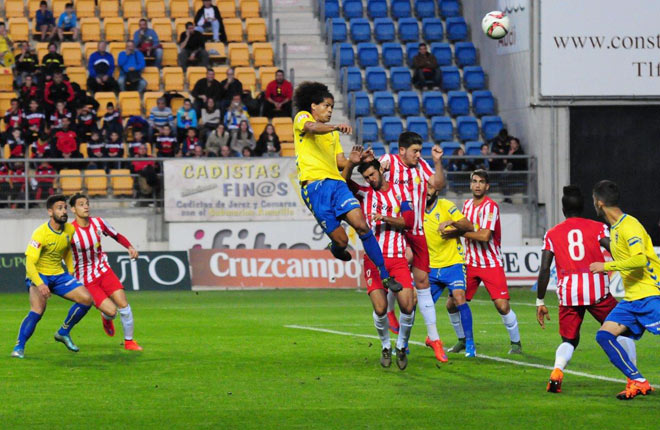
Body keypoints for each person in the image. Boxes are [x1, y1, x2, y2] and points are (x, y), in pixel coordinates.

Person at [292, 81, 403, 293]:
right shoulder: (303, 118)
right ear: (313, 106)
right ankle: (336, 248)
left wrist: (359, 160)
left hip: (337, 184)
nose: (330, 110)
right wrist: (334, 126)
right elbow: (312, 127)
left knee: (362, 226)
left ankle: (386, 276)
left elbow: (340, 162)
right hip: (315, 188)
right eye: (326, 106)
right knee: (342, 242)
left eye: (332, 107)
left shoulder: (332, 134)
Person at [536, 185, 635, 394]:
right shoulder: (597, 227)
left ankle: (557, 371)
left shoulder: (552, 234)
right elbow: (615, 252)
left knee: (570, 340)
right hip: (597, 290)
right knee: (624, 329)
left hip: (569, 292)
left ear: (563, 210)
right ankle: (632, 378)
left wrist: (540, 301)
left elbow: (545, 268)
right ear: (583, 208)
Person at [342, 154, 419, 369]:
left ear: (380, 171)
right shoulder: (364, 194)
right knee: (380, 308)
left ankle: (401, 345)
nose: (370, 180)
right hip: (374, 261)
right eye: (366, 177)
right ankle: (386, 346)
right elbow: (343, 182)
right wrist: (353, 162)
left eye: (372, 175)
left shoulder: (401, 192)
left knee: (408, 305)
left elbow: (408, 222)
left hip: (398, 259)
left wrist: (384, 218)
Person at [375, 132, 446, 362]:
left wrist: (437, 161)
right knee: (400, 277)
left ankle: (432, 338)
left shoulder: (421, 166)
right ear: (401, 150)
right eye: (415, 151)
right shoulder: (390, 161)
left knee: (422, 284)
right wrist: (380, 168)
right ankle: (389, 312)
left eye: (420, 151)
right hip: (395, 232)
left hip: (416, 231)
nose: (418, 154)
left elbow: (437, 184)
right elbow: (375, 174)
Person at [589, 180, 660, 400]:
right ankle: (638, 381)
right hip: (631, 300)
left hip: (649, 295)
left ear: (599, 203)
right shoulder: (616, 228)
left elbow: (638, 260)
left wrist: (606, 266)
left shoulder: (630, 225)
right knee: (604, 336)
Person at [10, 195, 94, 359]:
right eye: (59, 208)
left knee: (86, 299)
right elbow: (29, 263)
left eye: (64, 208)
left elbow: (67, 249)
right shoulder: (40, 233)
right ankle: (19, 347)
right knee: (38, 310)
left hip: (59, 274)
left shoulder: (70, 229)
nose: (63, 211)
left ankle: (63, 332)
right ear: (50, 211)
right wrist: (40, 284)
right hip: (39, 274)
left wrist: (70, 269)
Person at [69, 194, 143, 351]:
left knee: (124, 304)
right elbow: (61, 253)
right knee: (112, 311)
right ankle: (106, 317)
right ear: (73, 209)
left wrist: (129, 247)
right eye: (81, 204)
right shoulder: (69, 231)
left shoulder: (98, 223)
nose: (86, 206)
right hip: (86, 279)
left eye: (87, 203)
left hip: (103, 269)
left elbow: (116, 235)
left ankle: (129, 342)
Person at [461, 169, 522, 353]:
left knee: (502, 306)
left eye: (481, 182)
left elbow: (485, 236)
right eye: (474, 181)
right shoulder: (466, 206)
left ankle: (516, 343)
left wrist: (460, 232)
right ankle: (462, 340)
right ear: (471, 184)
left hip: (491, 263)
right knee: (453, 303)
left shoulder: (491, 207)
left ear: (487, 186)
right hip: (470, 263)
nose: (477, 185)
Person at [425, 188, 476, 357]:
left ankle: (469, 343)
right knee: (415, 303)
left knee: (459, 297)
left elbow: (469, 226)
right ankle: (405, 345)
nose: (427, 191)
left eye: (430, 187)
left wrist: (451, 223)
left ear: (436, 190)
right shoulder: (417, 210)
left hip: (453, 263)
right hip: (431, 266)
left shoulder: (446, 205)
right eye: (425, 187)